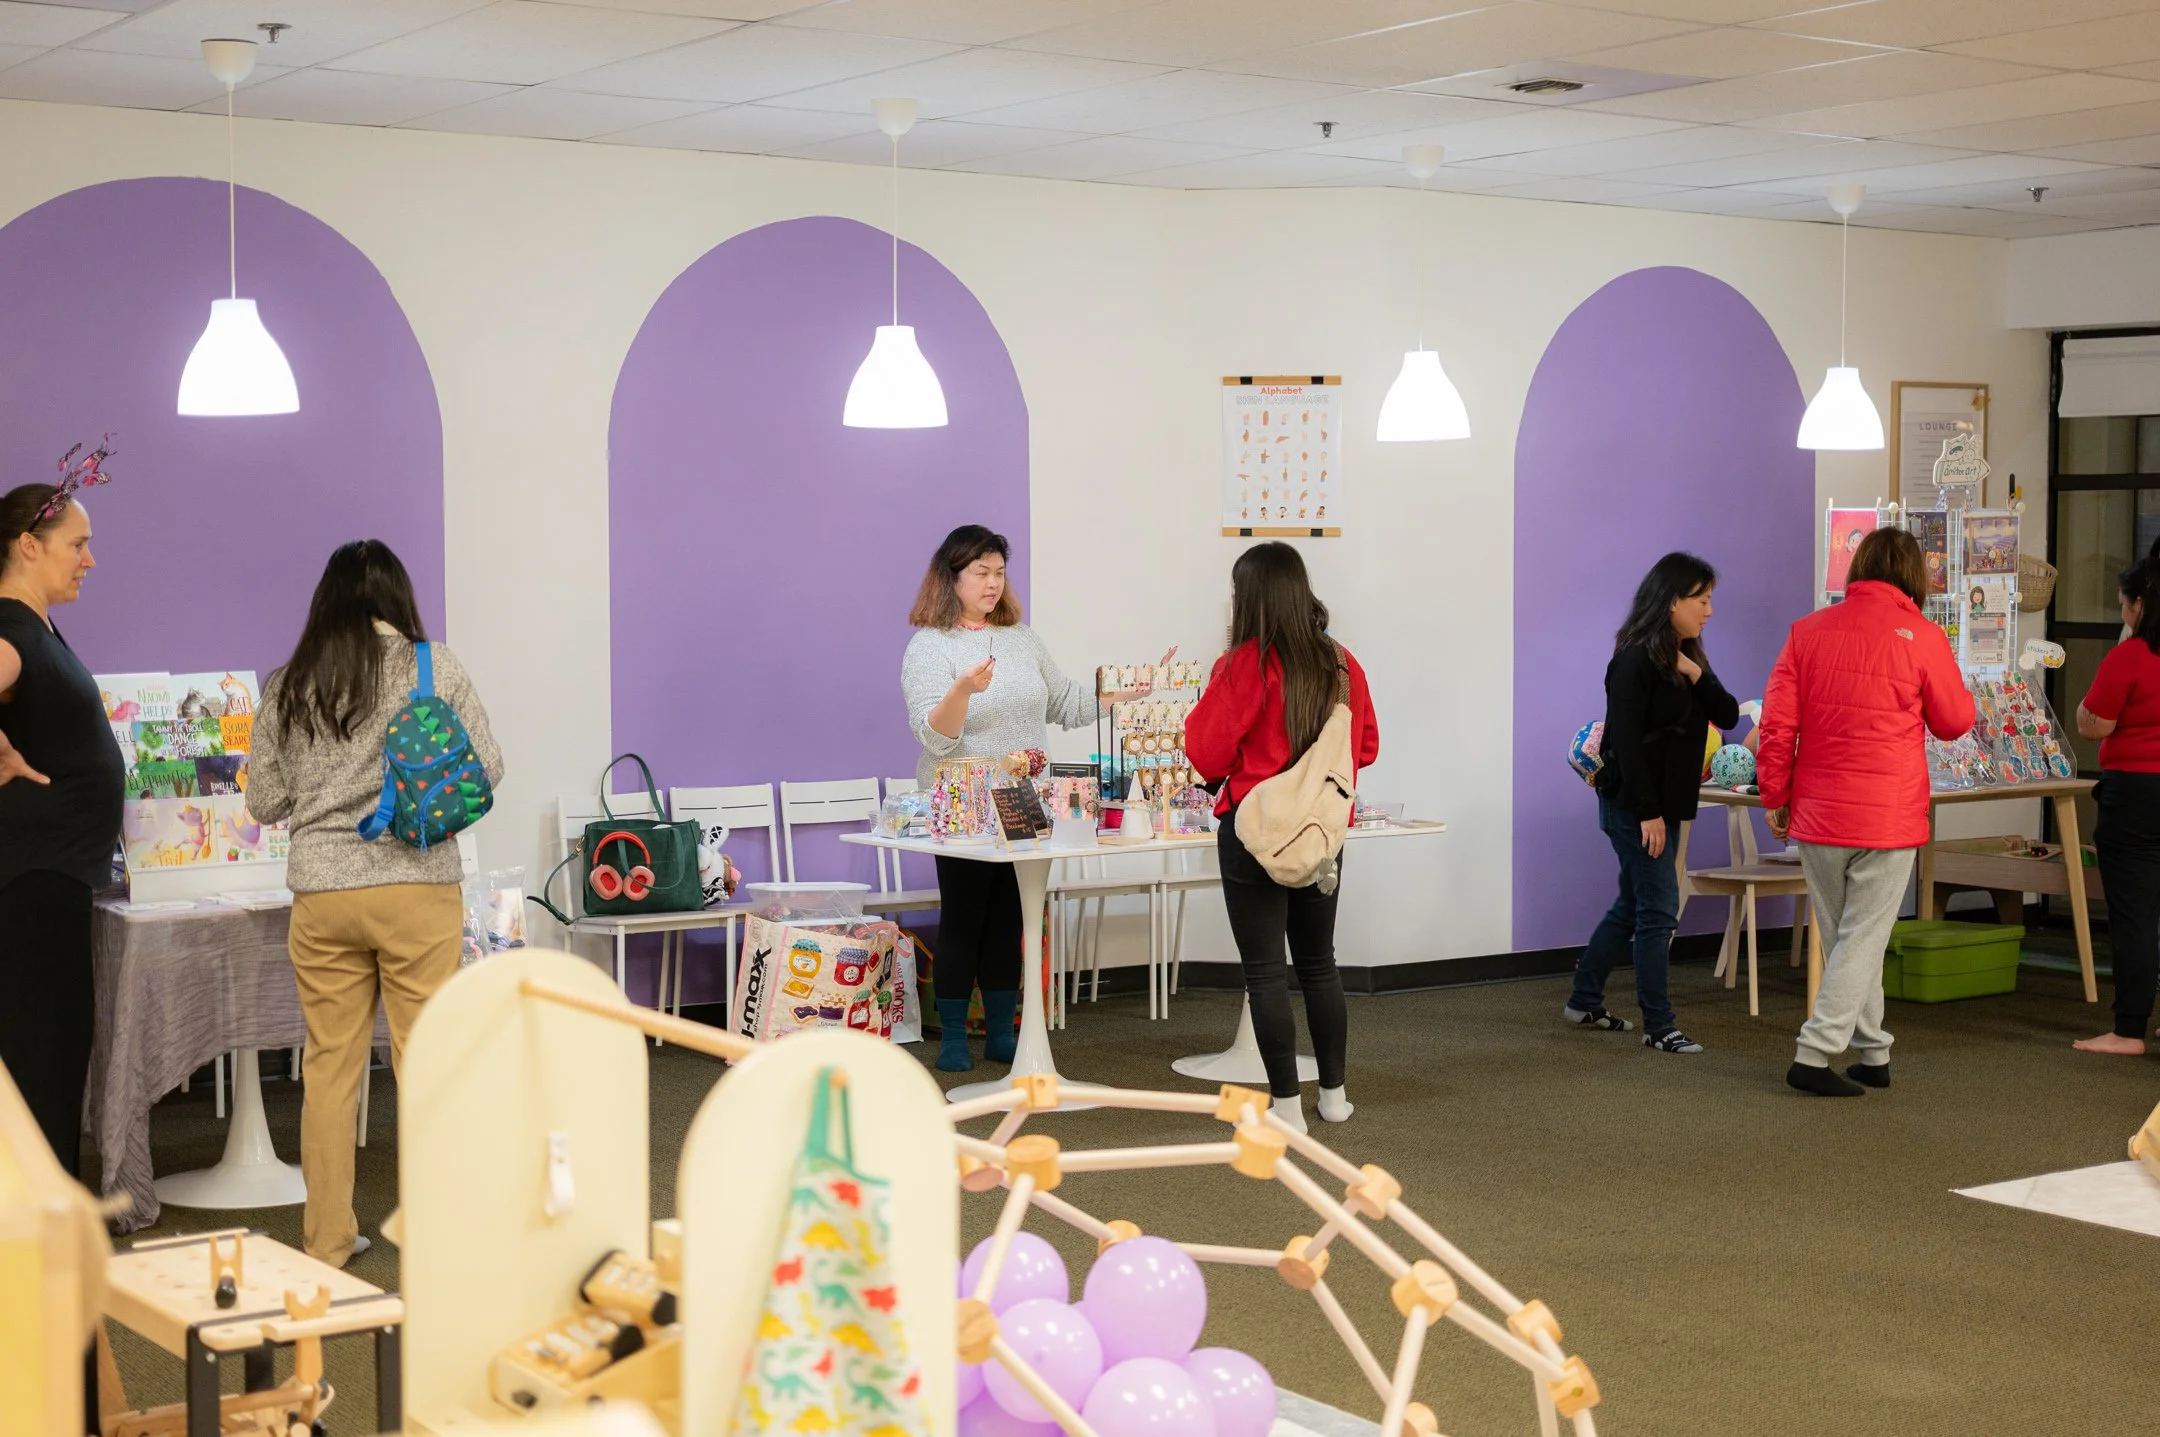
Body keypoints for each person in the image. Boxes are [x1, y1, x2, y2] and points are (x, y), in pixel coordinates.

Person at [247, 541, 503, 1266]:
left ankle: (327, 1239)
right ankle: (440, 1232)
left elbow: (265, 799)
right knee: (428, 1057)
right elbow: (489, 766)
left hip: (322, 894)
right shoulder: (434, 666)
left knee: (330, 1068)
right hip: (415, 884)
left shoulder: (291, 683)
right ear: (398, 596)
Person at [901, 525, 1135, 1074]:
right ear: (951, 578)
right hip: (961, 807)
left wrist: (1116, 694)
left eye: (999, 572)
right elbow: (935, 736)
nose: (992, 582)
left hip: (1024, 802)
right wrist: (962, 690)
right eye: (980, 572)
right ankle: (955, 1037)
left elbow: (1066, 702)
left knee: (1012, 916)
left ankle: (1004, 1032)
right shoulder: (928, 647)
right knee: (964, 916)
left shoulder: (1022, 639)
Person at [1758, 528, 1974, 1097]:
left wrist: (1775, 797)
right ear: (1912, 577)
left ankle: (1874, 1053)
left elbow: (1779, 728)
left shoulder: (1806, 632)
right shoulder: (1923, 636)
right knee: (1863, 938)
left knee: (1847, 939)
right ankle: (1812, 1055)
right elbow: (1954, 721)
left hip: (1820, 814)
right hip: (1888, 814)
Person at [1186, 542, 1379, 1133]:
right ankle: (1335, 1097)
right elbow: (1365, 748)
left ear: (1248, 598)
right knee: (1320, 964)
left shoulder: (1243, 664)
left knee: (1265, 972)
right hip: (1322, 835)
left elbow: (1204, 752)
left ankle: (1287, 1109)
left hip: (1253, 833)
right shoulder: (1341, 663)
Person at [0, 480, 124, 1182]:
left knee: (51, 1063)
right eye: (77, 544)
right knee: (41, 1065)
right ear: (27, 546)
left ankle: (46, 1234)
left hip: (50, 882)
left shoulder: (36, 627)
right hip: (33, 885)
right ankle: (42, 1248)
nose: (90, 560)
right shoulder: (13, 630)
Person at [1566, 552, 1736, 1054]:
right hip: (1636, 806)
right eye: (1701, 600)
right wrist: (1648, 814)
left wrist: (1693, 672)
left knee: (1634, 903)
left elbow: (1726, 714)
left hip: (1664, 805)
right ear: (1671, 602)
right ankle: (1659, 1026)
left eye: (1710, 600)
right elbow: (1627, 743)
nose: (1708, 610)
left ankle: (1583, 999)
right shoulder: (1633, 660)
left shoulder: (1687, 658)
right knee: (1659, 911)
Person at [2072, 559, 2160, 1056]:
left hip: (2137, 796)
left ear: (2140, 605)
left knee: (2135, 915)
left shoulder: (2130, 657)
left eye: (2123, 602)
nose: (2121, 611)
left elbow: (2093, 723)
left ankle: (2129, 1030)